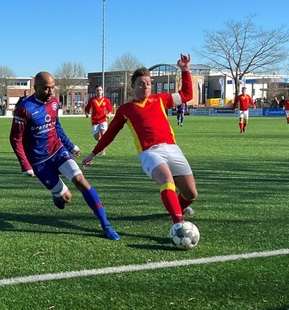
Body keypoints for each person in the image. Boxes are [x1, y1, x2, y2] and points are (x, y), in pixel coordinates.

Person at [81, 54, 197, 227]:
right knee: (167, 180)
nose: (146, 87)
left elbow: (186, 95)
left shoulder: (160, 99)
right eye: (141, 84)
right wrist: (94, 153)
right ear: (133, 86)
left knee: (191, 194)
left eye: (149, 84)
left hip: (172, 148)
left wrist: (185, 70)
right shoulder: (126, 109)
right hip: (150, 152)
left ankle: (175, 207)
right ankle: (179, 224)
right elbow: (111, 132)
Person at [10, 71, 119, 241]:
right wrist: (25, 165)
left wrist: (71, 146)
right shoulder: (24, 108)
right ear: (35, 88)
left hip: (58, 150)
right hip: (39, 162)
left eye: (53, 87)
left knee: (81, 181)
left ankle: (105, 224)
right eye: (46, 88)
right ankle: (57, 196)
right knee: (66, 198)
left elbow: (56, 127)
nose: (51, 92)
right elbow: (15, 139)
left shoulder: (54, 102)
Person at [84, 85, 113, 155]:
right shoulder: (92, 100)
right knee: (97, 137)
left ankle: (102, 150)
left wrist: (109, 114)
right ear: (95, 91)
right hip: (94, 121)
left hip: (103, 120)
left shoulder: (106, 100)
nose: (99, 91)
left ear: (102, 91)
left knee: (103, 134)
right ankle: (100, 146)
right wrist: (87, 114)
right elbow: (87, 109)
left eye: (100, 90)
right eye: (97, 90)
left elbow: (110, 109)